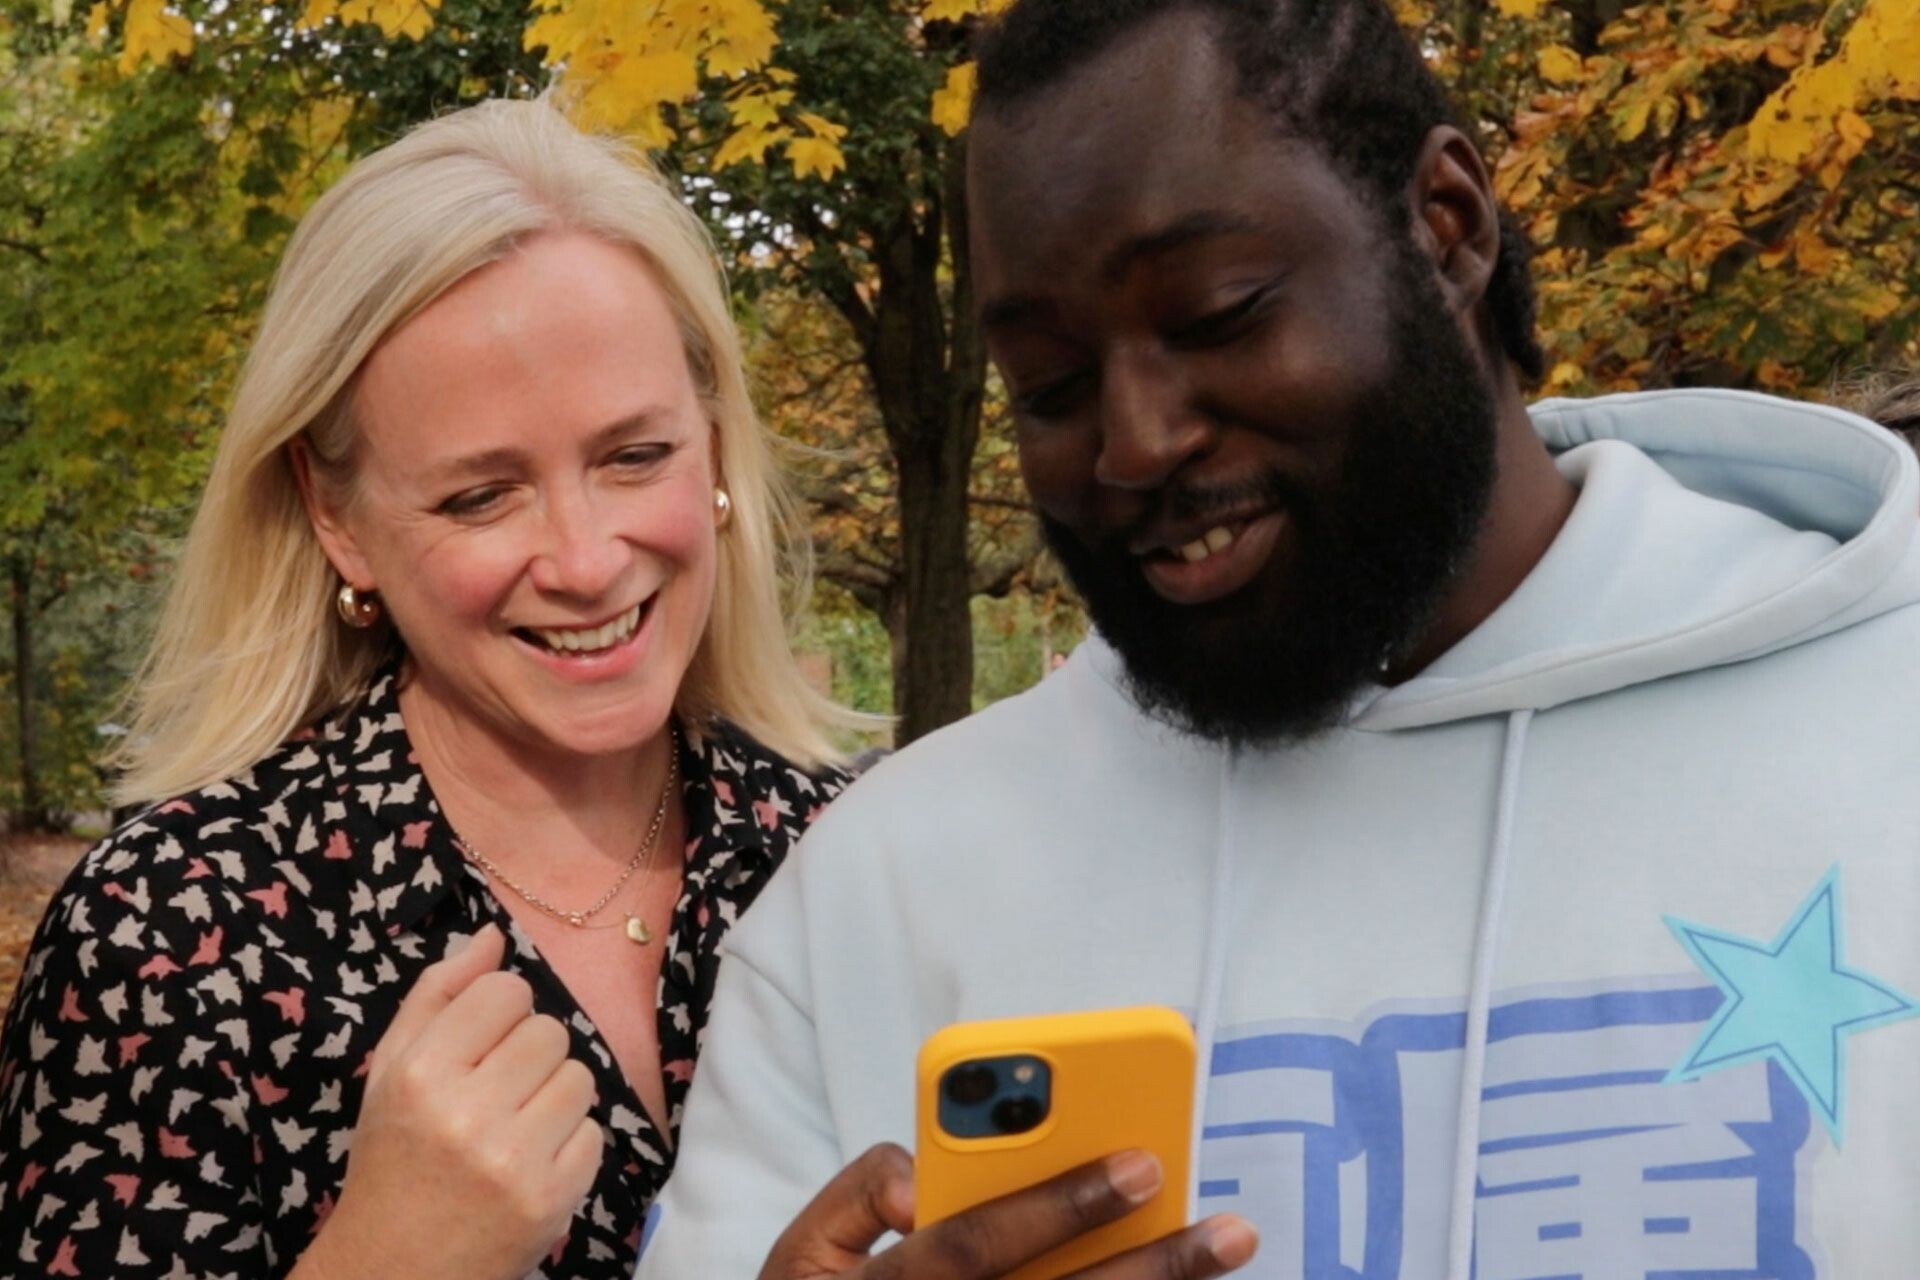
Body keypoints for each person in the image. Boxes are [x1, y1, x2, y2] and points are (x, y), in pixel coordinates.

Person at [639, 2, 1920, 1277]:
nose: (1136, 444)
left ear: (1448, 228)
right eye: (1050, 386)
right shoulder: (880, 889)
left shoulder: (1884, 717)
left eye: (1217, 313)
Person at [0, 99, 865, 1280]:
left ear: (713, 442)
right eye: (479, 496)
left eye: (634, 455)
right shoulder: (168, 938)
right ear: (335, 516)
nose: (585, 557)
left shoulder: (853, 858)